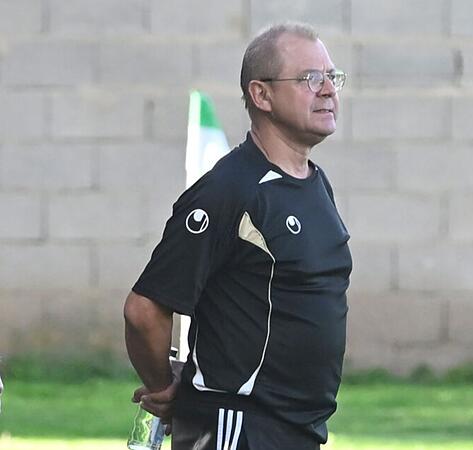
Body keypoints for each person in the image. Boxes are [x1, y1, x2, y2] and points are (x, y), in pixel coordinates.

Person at [124, 22, 352, 450]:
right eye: (309, 78)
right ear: (261, 95)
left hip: (299, 430)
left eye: (332, 77)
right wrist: (162, 390)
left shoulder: (315, 184)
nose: (328, 90)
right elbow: (144, 311)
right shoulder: (229, 191)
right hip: (237, 429)